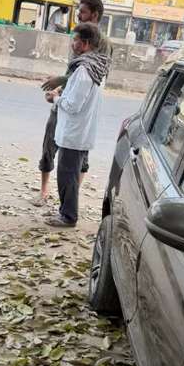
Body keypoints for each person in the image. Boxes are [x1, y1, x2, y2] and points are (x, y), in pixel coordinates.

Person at [35, 0, 111, 206]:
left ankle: (69, 204)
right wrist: (62, 88)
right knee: (50, 143)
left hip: (75, 108)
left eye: (83, 12)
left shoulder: (101, 47)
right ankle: (46, 192)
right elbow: (75, 72)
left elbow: (92, 78)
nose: (78, 16)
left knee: (75, 158)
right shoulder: (80, 37)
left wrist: (62, 87)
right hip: (65, 99)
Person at [44, 23, 106, 228]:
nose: (73, 44)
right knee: (69, 174)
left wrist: (55, 98)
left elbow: (73, 105)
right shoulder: (97, 65)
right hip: (80, 132)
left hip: (74, 133)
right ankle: (66, 212)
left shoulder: (84, 70)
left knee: (67, 176)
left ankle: (68, 216)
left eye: (76, 40)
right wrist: (63, 92)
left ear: (86, 43)